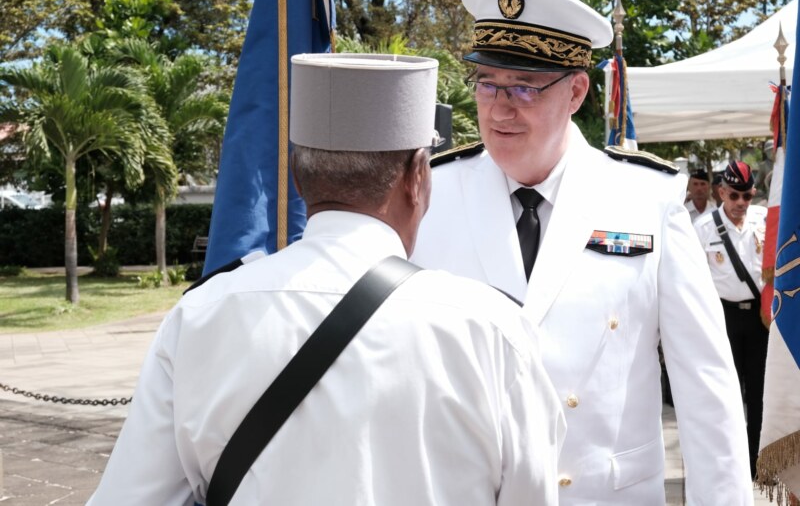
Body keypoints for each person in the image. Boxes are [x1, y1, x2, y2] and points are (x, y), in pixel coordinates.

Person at [88, 53, 565, 505]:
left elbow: (132, 496)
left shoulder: (200, 316)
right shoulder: (491, 329)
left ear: (299, 180)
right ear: (418, 177)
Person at [411, 0, 752, 505]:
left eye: (523, 86)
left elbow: (706, 386)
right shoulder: (430, 197)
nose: (500, 108)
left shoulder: (646, 196)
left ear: (575, 91)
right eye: (487, 83)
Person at [694, 160, 768, 480]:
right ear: (721, 191)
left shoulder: (765, 220)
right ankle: (733, 462)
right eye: (734, 195)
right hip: (723, 317)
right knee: (728, 394)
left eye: (747, 196)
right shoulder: (702, 229)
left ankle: (757, 461)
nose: (740, 203)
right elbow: (694, 281)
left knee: (760, 392)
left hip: (760, 318)